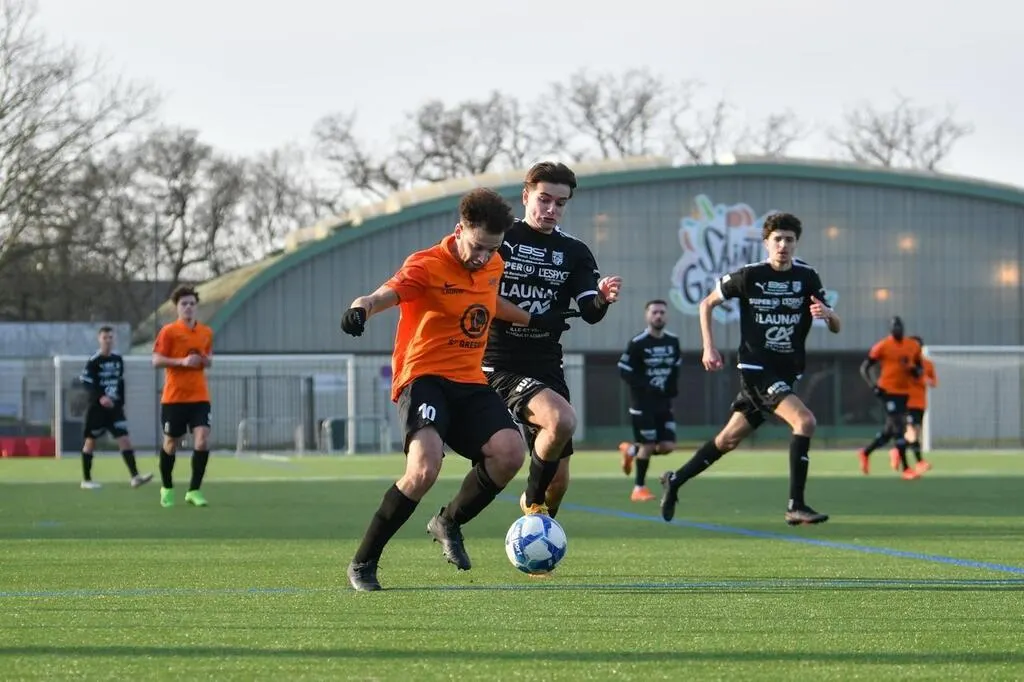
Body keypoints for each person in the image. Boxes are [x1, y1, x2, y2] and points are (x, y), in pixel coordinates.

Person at [340, 187, 573, 592]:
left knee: (510, 453)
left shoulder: (493, 264)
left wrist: (534, 319)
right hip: (424, 378)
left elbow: (490, 303)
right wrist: (361, 309)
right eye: (478, 247)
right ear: (459, 229)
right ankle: (363, 562)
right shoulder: (427, 265)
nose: (484, 257)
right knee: (425, 468)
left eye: (492, 250)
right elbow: (384, 294)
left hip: (469, 379)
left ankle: (448, 521)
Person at [659, 212, 841, 526]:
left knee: (728, 440)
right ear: (767, 243)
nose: (783, 245)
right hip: (757, 369)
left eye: (789, 240)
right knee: (805, 420)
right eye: (778, 239)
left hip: (787, 372)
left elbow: (836, 325)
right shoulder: (750, 275)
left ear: (796, 243)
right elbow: (706, 303)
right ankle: (795, 505)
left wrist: (828, 313)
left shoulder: (807, 277)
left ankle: (675, 479)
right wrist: (709, 346)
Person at [482, 161, 622, 519]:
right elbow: (480, 297)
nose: (551, 209)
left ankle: (539, 533)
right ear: (526, 196)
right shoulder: (501, 238)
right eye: (544, 199)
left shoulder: (574, 252)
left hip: (545, 365)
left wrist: (602, 298)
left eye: (560, 203)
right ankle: (530, 504)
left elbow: (589, 311)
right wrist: (531, 317)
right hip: (498, 361)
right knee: (560, 421)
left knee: (558, 482)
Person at [152, 285, 214, 508]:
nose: (188, 307)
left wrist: (204, 361)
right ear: (177, 308)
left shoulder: (206, 332)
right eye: (184, 304)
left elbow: (209, 358)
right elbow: (156, 360)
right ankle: (167, 487)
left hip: (199, 396)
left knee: (203, 439)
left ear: (196, 307)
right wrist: (181, 362)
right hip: (174, 398)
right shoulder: (169, 332)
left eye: (191, 304)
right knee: (171, 443)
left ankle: (194, 490)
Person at [617, 299, 681, 502]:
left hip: (663, 403)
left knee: (667, 446)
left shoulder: (673, 342)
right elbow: (624, 370)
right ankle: (638, 488)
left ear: (667, 315)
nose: (659, 316)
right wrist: (646, 385)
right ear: (647, 316)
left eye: (662, 312)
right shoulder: (638, 343)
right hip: (642, 404)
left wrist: (672, 386)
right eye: (654, 312)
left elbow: (676, 366)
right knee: (648, 445)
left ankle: (630, 450)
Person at [78, 326, 153, 490]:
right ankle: (86, 479)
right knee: (90, 442)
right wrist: (101, 397)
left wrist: (120, 402)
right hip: (97, 409)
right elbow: (86, 382)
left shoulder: (118, 359)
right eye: (105, 338)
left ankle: (135, 477)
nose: (108, 341)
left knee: (124, 439)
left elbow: (120, 381)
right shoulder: (94, 361)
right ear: (99, 340)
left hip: (114, 409)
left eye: (110, 337)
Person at [856, 316, 923, 479]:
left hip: (904, 392)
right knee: (899, 427)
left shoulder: (912, 345)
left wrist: (914, 370)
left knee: (889, 431)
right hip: (888, 391)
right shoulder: (883, 346)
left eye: (899, 327)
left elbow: (919, 368)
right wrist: (873, 386)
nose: (897, 330)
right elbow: (865, 367)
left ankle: (865, 452)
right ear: (890, 330)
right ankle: (906, 469)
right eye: (894, 328)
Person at [900, 334, 937, 475]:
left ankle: (898, 449)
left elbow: (934, 382)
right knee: (912, 433)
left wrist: (927, 380)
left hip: (920, 403)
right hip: (906, 402)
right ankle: (920, 462)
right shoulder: (905, 364)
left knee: (915, 434)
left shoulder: (928, 364)